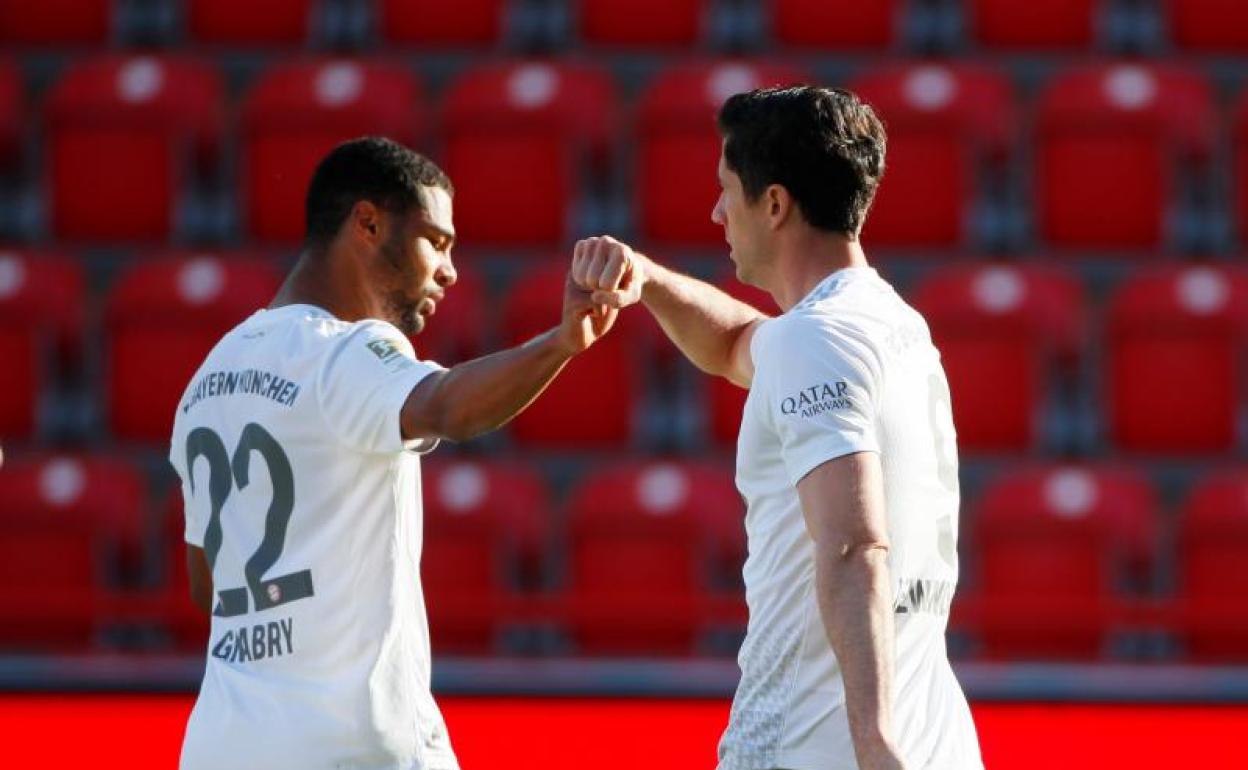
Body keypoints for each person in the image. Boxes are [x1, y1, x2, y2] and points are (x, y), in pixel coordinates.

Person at [169, 136, 618, 770]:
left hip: (222, 743)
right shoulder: (344, 351)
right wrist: (561, 343)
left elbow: (206, 583)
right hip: (352, 744)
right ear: (368, 222)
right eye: (436, 241)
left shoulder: (207, 379)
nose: (451, 270)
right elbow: (445, 406)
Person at [571, 86, 983, 770]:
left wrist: (875, 743)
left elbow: (854, 546)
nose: (716, 212)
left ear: (774, 204)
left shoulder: (813, 342)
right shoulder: (891, 324)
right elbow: (736, 344)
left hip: (815, 746)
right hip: (935, 739)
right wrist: (645, 279)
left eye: (726, 189)